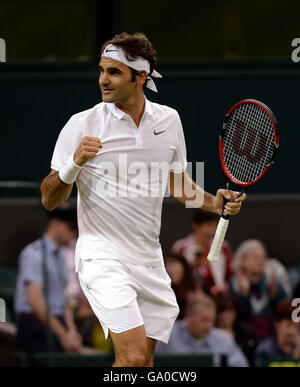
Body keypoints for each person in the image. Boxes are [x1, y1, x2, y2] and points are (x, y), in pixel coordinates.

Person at [40, 32, 246, 367]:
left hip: (149, 260)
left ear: (141, 77)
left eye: (114, 72)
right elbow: (49, 198)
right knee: (133, 358)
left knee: (145, 363)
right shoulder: (81, 124)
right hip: (102, 257)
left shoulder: (169, 120)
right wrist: (73, 163)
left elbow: (180, 187)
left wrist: (217, 202)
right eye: (101, 70)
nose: (103, 80)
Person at [14, 204, 82, 356]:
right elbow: (36, 302)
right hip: (35, 325)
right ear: (56, 224)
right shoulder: (34, 254)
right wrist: (63, 334)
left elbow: (65, 299)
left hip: (56, 323)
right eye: (71, 228)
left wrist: (71, 331)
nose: (74, 234)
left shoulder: (62, 256)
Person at [155, 295, 249, 367]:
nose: (209, 326)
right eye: (204, 320)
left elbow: (241, 364)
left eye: (212, 320)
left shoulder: (223, 339)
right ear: (188, 316)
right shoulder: (168, 336)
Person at [230, 239, 288, 341]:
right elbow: (237, 317)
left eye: (263, 257)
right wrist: (244, 295)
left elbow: (286, 310)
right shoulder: (234, 284)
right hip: (244, 337)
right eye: (255, 257)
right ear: (242, 260)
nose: (260, 261)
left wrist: (275, 294)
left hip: (271, 336)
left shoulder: (271, 282)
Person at [172, 209, 233, 294]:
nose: (212, 231)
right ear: (195, 225)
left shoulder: (224, 247)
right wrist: (192, 266)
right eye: (209, 225)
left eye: (216, 226)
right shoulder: (180, 248)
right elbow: (175, 277)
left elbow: (229, 274)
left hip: (218, 298)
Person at [214, 290, 256, 366]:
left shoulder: (247, 333)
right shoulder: (207, 334)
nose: (225, 315)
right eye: (222, 310)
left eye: (230, 310)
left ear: (236, 311)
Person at [255, 299, 300, 366]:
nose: (292, 331)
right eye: (289, 325)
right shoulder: (264, 350)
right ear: (277, 324)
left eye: (296, 326)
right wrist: (295, 359)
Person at [164, 253, 203, 320]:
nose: (170, 270)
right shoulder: (165, 290)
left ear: (183, 266)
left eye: (173, 265)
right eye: (166, 266)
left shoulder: (194, 288)